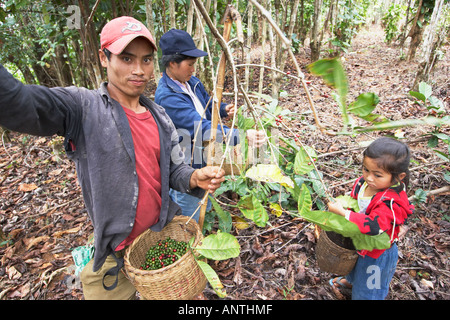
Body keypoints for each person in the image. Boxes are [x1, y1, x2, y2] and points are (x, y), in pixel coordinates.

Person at [0, 16, 225, 300]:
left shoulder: (160, 116)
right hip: (114, 258)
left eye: (146, 60)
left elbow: (173, 171)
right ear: (103, 58)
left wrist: (194, 177)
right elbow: (23, 106)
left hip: (160, 242)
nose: (139, 70)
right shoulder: (83, 108)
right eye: (127, 58)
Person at [154, 29, 265, 222]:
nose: (193, 69)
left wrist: (222, 109)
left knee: (204, 197)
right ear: (172, 63)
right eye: (190, 64)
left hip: (203, 156)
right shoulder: (167, 97)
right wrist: (242, 135)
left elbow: (207, 103)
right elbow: (201, 128)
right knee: (189, 217)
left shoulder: (190, 81)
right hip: (187, 165)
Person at [327, 137, 414, 300]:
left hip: (378, 252)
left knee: (370, 287)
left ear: (398, 177)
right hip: (360, 242)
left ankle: (364, 294)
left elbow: (374, 226)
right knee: (356, 265)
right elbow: (355, 201)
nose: (369, 177)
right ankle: (352, 281)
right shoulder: (364, 184)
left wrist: (344, 214)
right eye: (366, 170)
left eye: (377, 175)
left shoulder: (390, 202)